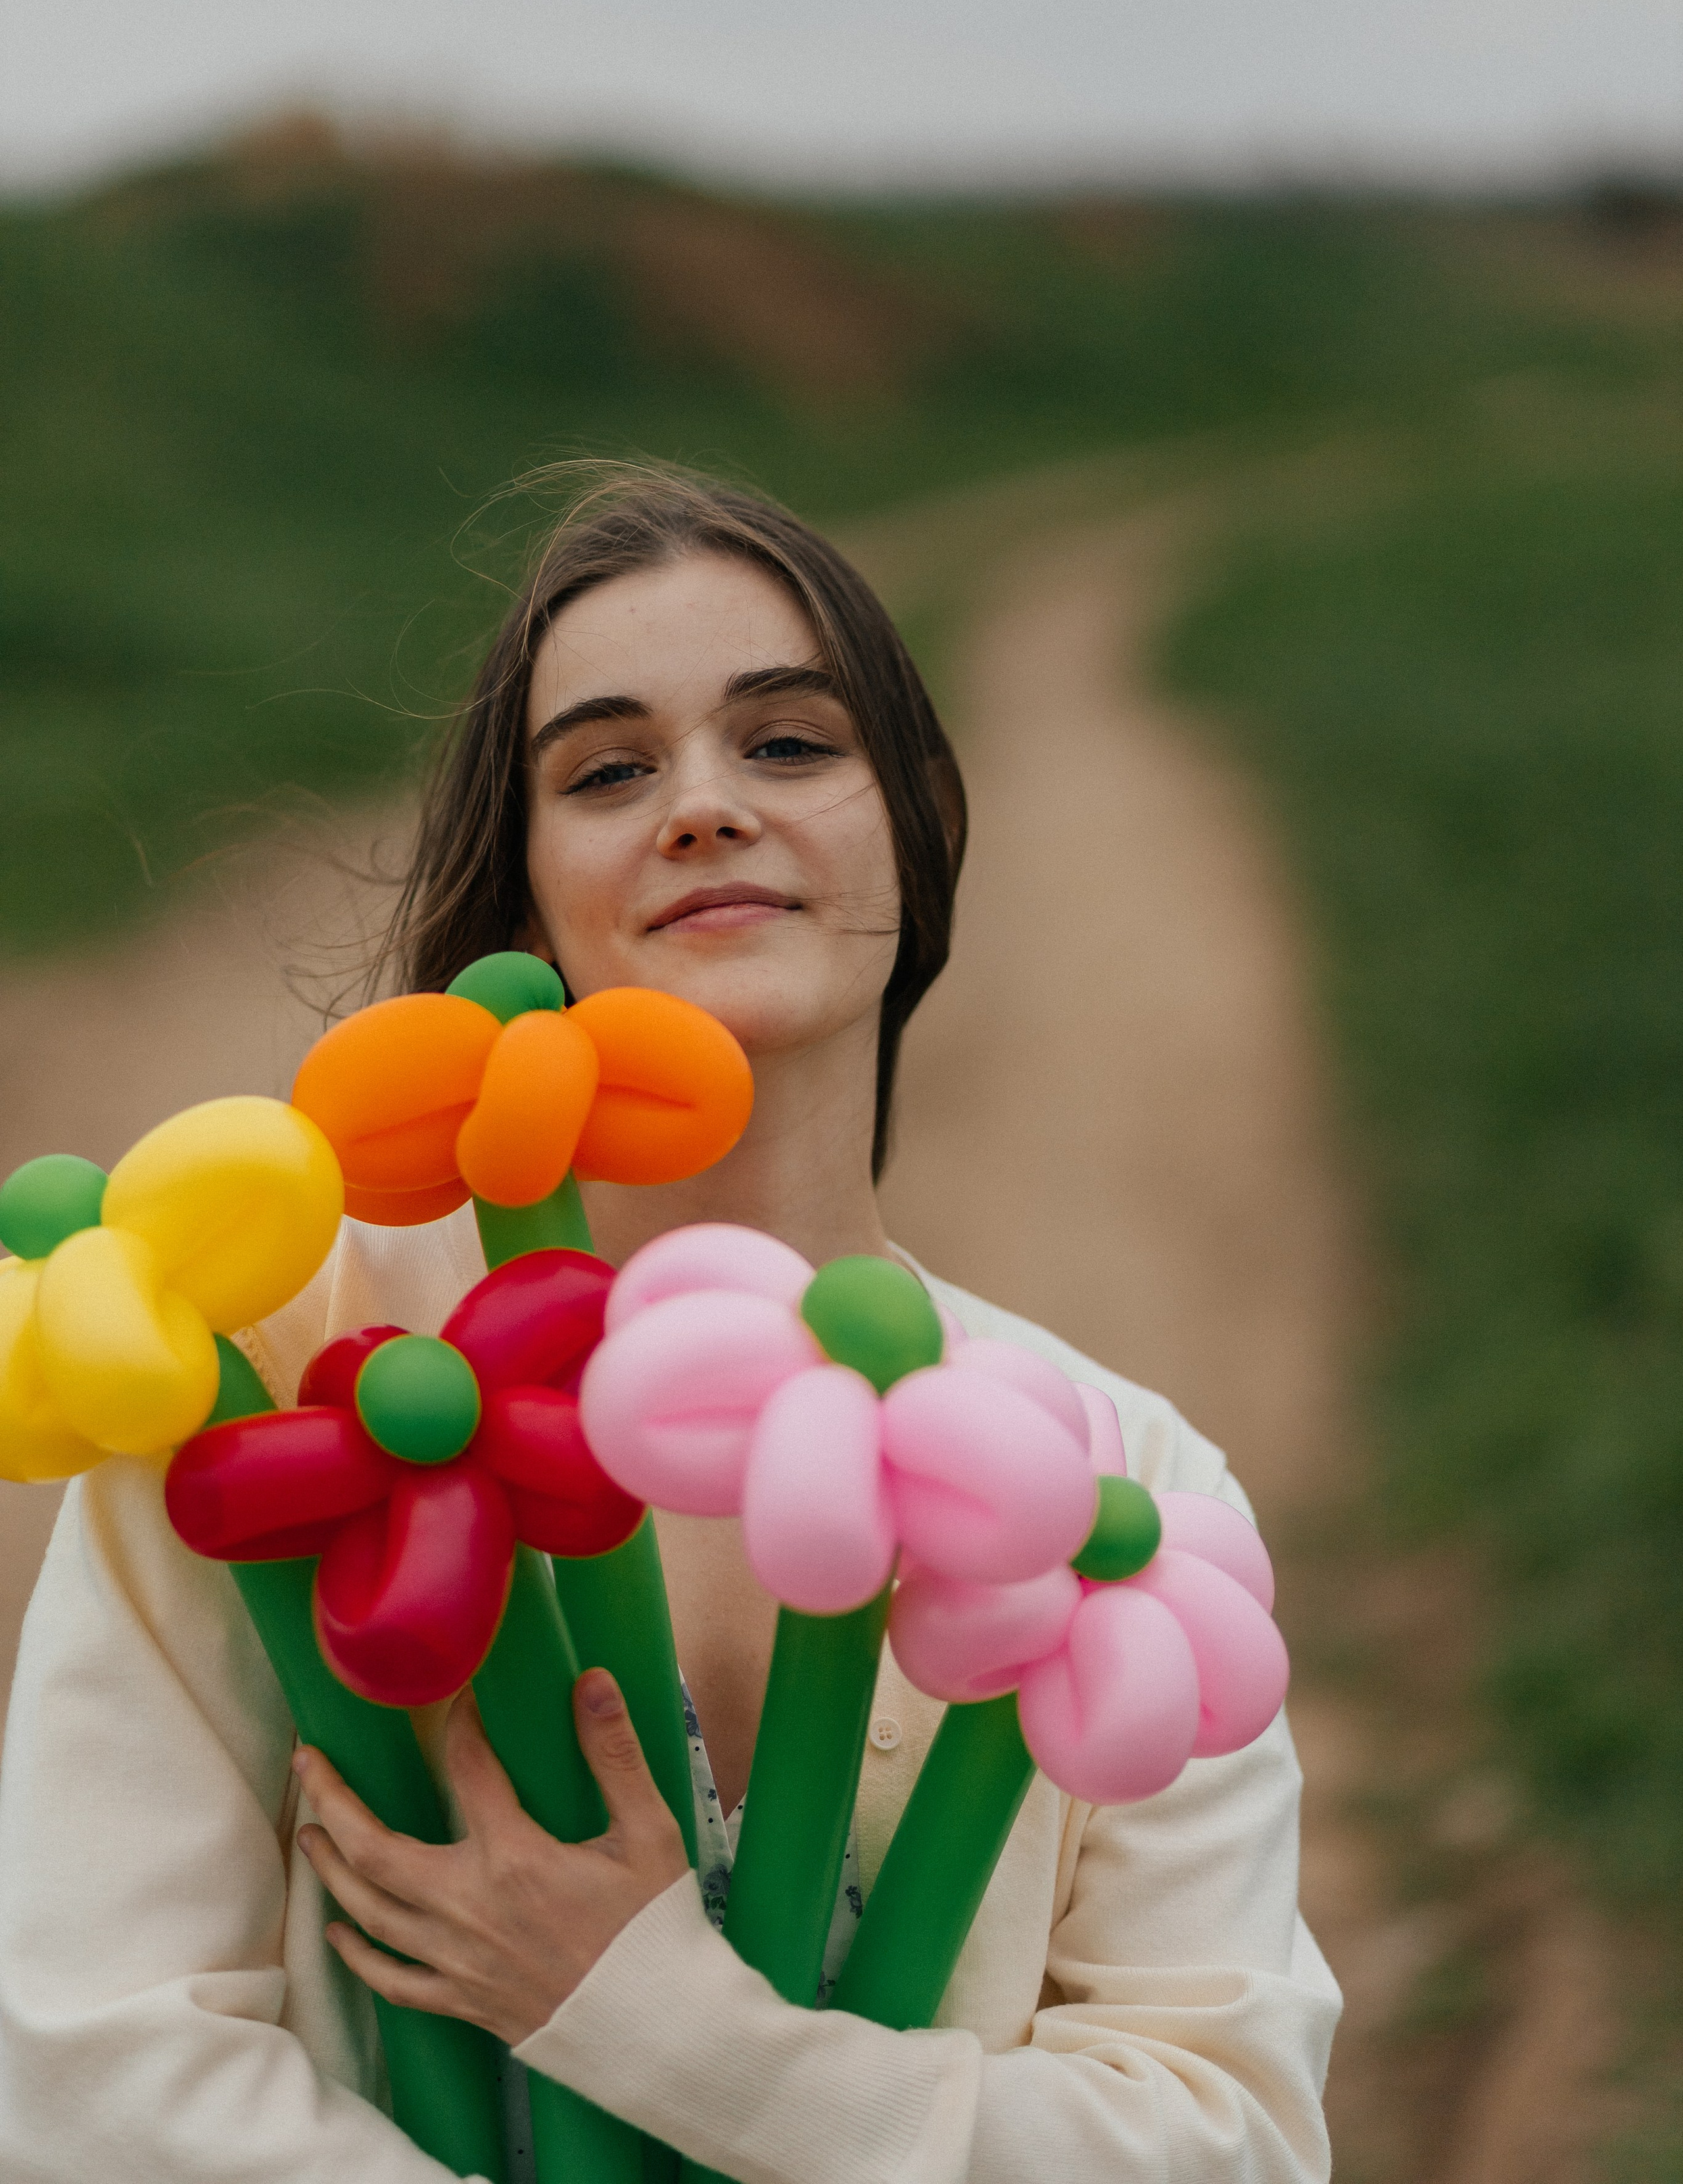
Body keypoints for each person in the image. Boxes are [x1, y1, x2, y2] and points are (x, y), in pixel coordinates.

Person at [0, 463, 1340, 2182]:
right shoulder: (258, 1364)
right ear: (526, 892)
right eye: (608, 771)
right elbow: (93, 2067)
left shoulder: (1122, 1490)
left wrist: (668, 2030)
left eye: (787, 742)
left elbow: (1233, 2139)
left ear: (918, 824)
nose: (703, 806)